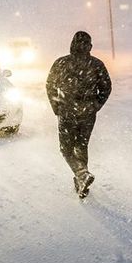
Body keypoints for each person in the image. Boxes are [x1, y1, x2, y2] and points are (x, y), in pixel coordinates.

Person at [46, 31, 112, 198]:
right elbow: (106, 87)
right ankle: (81, 181)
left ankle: (81, 175)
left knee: (66, 148)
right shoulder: (96, 64)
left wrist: (57, 106)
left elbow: (50, 85)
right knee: (81, 146)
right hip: (87, 112)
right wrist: (95, 105)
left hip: (67, 111)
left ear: (72, 44)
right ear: (89, 46)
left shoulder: (61, 63)